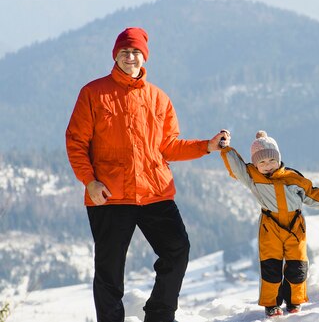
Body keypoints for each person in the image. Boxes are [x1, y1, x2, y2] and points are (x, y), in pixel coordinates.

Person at [65, 27, 228, 322]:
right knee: (109, 271)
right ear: (115, 55)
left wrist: (206, 145)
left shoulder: (159, 98)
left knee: (177, 250)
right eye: (125, 52)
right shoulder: (93, 93)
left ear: (145, 57)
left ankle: (159, 316)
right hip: (110, 195)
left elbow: (169, 146)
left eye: (136, 52)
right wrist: (89, 181)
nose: (130, 57)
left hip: (155, 192)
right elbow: (76, 142)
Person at [219, 130, 319, 318]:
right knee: (270, 266)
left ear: (279, 159)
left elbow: (311, 194)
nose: (267, 166)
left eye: (271, 161)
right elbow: (237, 168)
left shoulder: (293, 178)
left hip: (294, 226)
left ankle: (294, 300)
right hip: (270, 226)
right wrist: (226, 149)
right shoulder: (253, 177)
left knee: (297, 265)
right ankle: (272, 304)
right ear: (255, 164)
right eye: (262, 162)